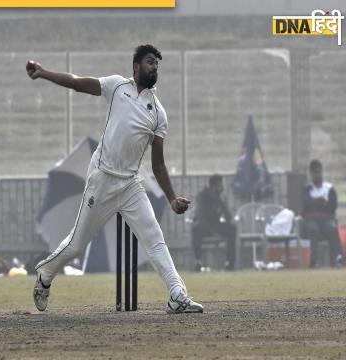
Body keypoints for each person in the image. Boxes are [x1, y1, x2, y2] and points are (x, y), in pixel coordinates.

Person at [26, 45, 203, 314]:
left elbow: (158, 163)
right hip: (103, 178)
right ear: (135, 67)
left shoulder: (158, 113)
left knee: (154, 237)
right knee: (76, 246)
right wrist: (43, 73)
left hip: (130, 184)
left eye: (157, 63)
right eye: (149, 62)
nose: (154, 67)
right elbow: (76, 83)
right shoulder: (116, 86)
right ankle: (45, 275)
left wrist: (171, 198)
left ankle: (178, 296)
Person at [301, 159, 343, 268]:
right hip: (312, 219)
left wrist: (317, 202)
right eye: (315, 172)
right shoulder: (307, 189)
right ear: (311, 174)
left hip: (326, 219)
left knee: (332, 229)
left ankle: (339, 258)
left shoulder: (329, 188)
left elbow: (332, 207)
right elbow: (305, 206)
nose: (317, 175)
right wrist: (320, 202)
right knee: (312, 229)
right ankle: (313, 261)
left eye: (319, 172)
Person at [192, 174, 236, 272]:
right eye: (220, 185)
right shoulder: (202, 195)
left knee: (232, 228)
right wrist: (212, 232)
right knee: (196, 229)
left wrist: (224, 204)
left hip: (216, 225)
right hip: (204, 226)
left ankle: (230, 262)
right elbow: (200, 217)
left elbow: (228, 218)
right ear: (213, 186)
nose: (222, 187)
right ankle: (198, 261)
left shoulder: (220, 197)